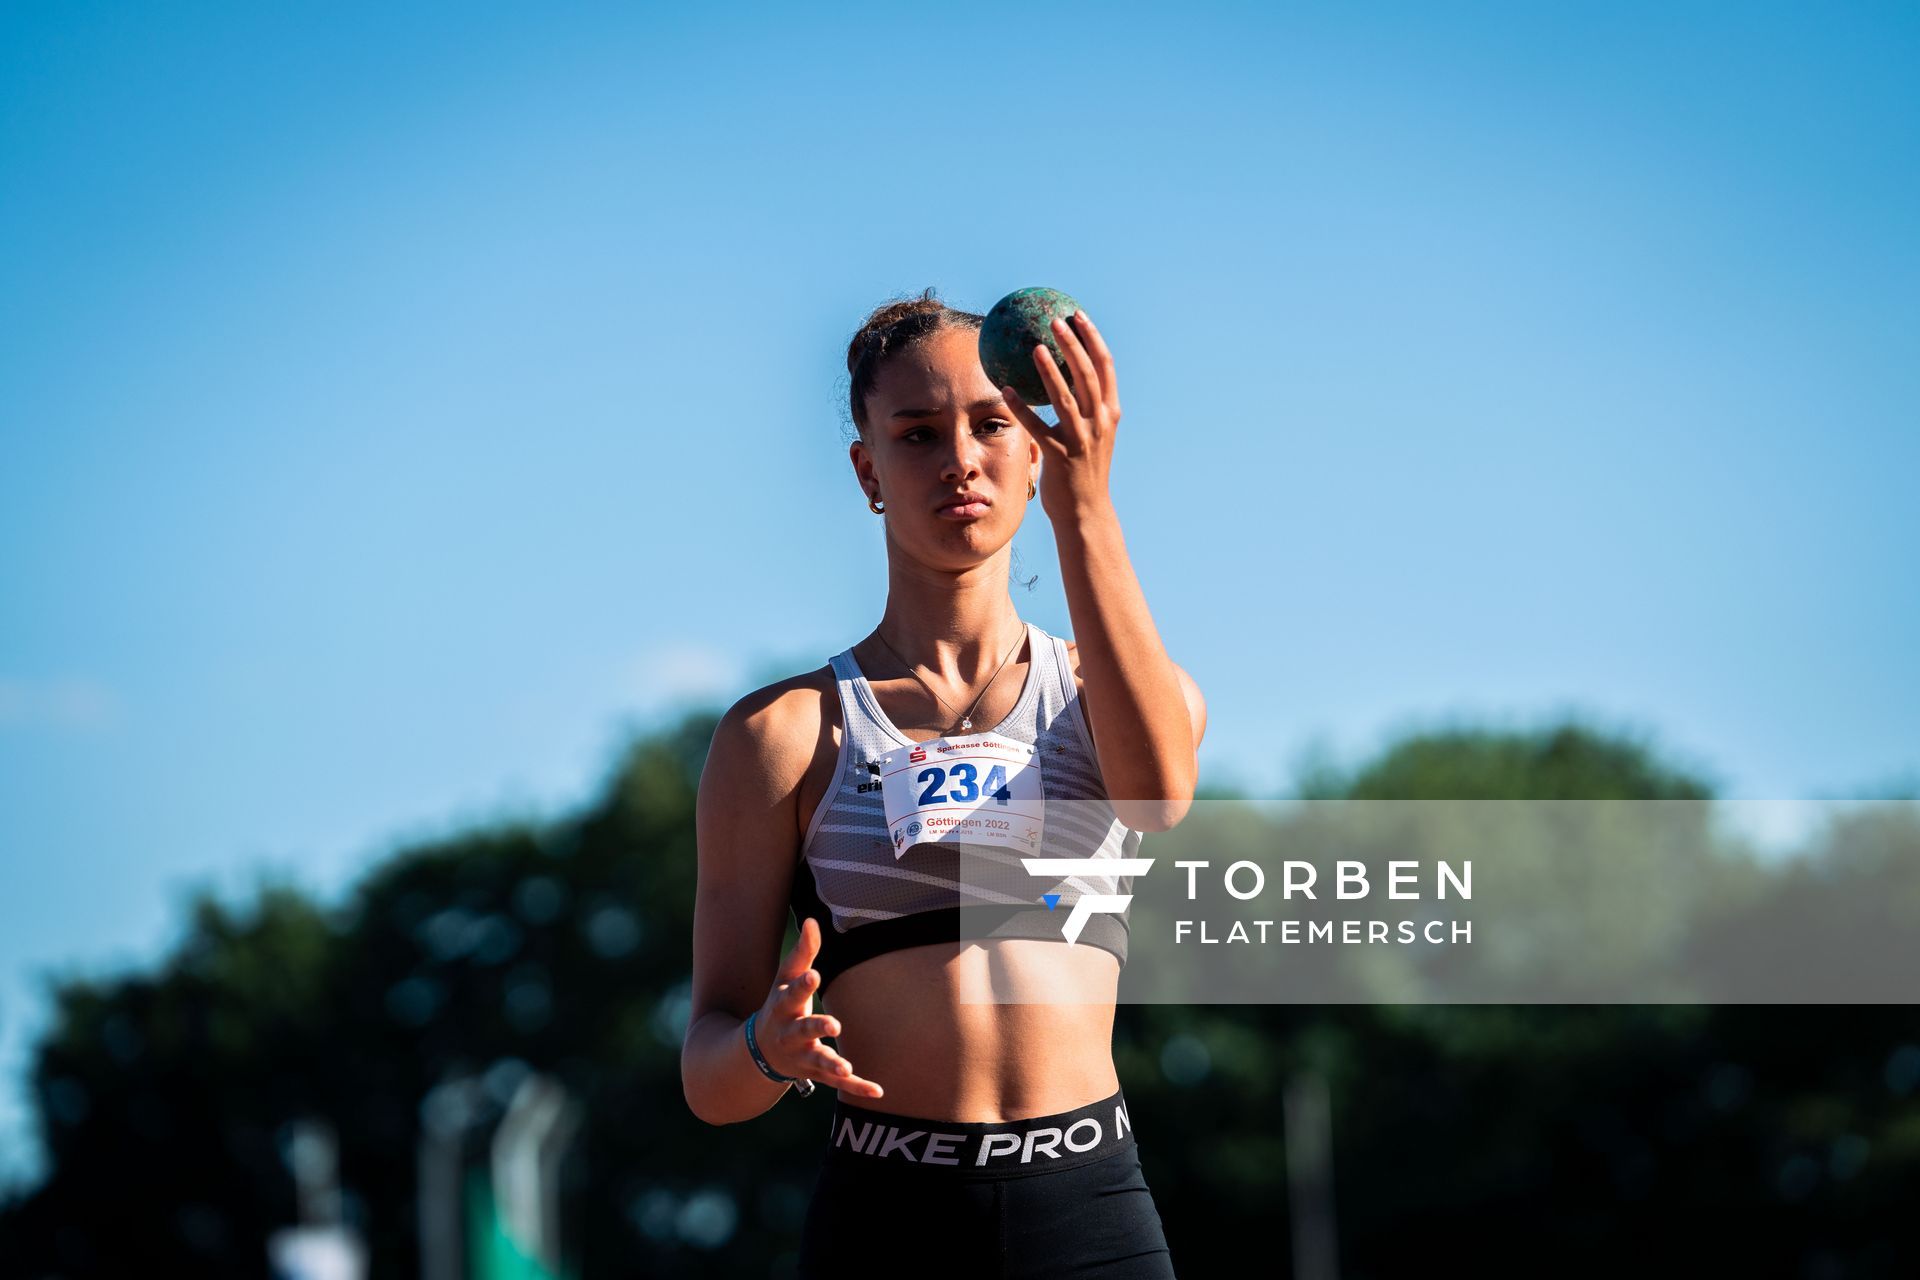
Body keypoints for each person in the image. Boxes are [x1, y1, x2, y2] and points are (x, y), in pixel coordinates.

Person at [681, 287, 1206, 1278]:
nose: (960, 457)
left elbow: (1157, 799)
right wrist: (766, 1045)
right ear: (866, 467)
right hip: (888, 1220)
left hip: (1087, 1212)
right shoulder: (784, 733)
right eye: (917, 433)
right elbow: (708, 1071)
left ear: (1037, 442)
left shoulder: (1113, 694)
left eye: (992, 422)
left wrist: (1084, 505)